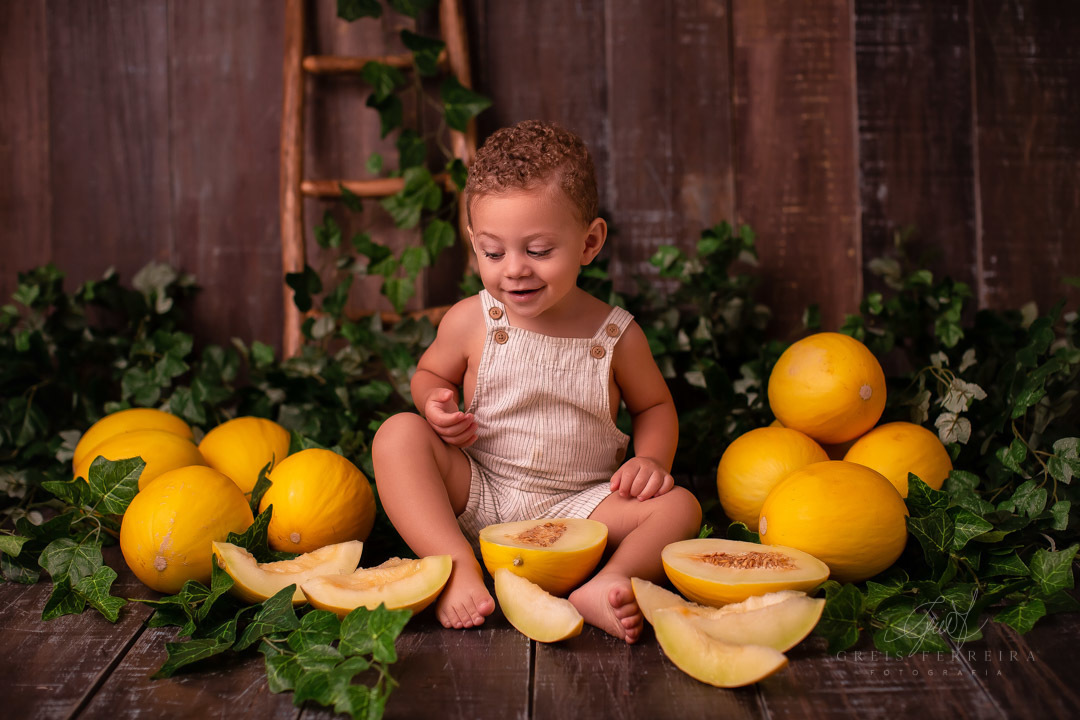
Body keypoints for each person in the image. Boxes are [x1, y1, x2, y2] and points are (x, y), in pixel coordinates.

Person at [372, 120, 701, 643]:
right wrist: (435, 401)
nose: (515, 271)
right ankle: (455, 565)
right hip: (482, 491)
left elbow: (655, 406)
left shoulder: (615, 335)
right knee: (397, 436)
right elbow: (430, 373)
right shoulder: (470, 320)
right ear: (474, 244)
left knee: (680, 506)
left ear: (589, 242)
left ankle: (611, 581)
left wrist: (653, 461)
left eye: (539, 250)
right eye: (493, 252)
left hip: (584, 506)